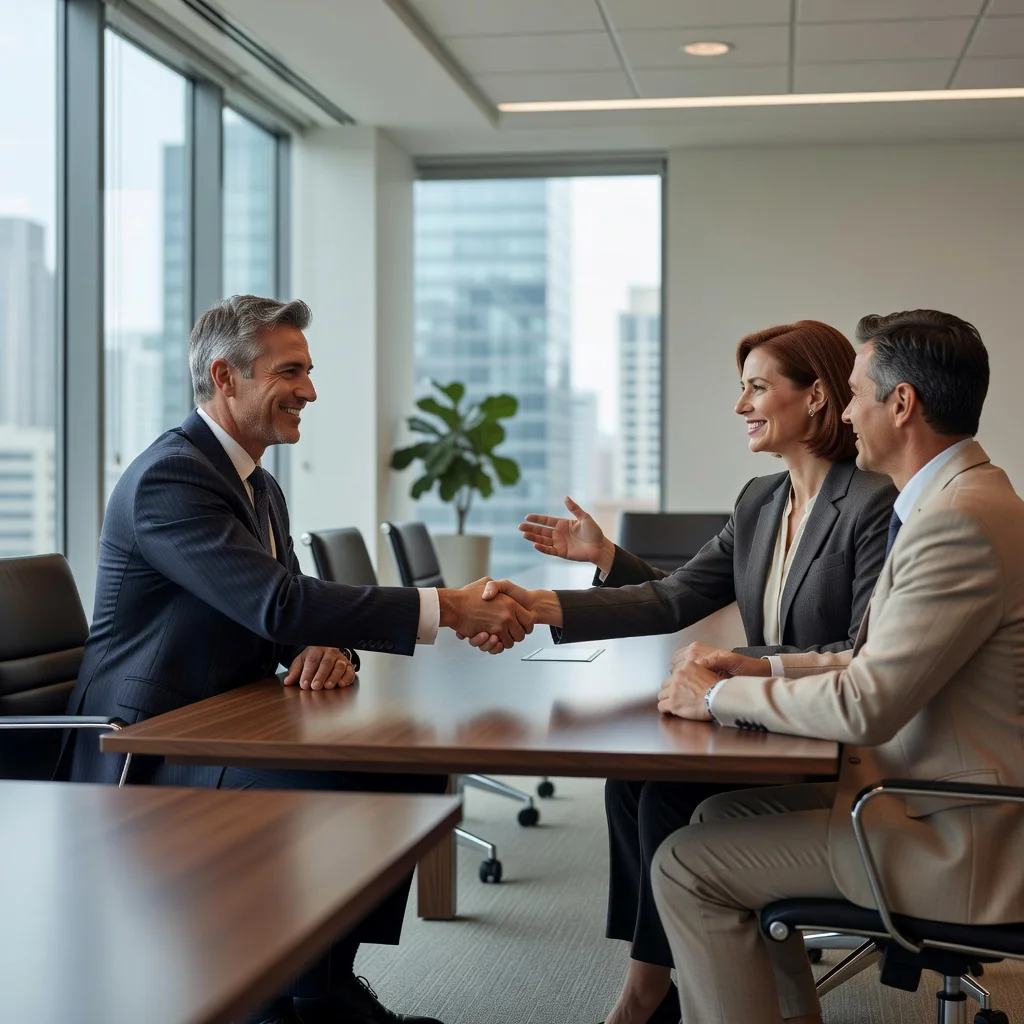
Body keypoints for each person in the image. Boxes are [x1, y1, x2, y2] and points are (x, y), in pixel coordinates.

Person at [60, 295, 533, 1024]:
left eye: (308, 371)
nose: (310, 391)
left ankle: (319, 987)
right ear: (225, 376)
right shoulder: (171, 479)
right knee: (324, 777)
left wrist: (328, 643)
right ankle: (279, 998)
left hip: (224, 716)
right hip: (146, 740)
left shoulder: (257, 483)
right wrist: (448, 609)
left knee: (402, 767)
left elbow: (283, 610)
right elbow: (278, 603)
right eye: (291, 372)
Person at [512, 321, 896, 1024]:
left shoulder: (872, 503)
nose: (741, 404)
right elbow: (676, 593)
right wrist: (555, 595)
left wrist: (734, 666)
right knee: (628, 775)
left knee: (666, 793)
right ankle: (657, 978)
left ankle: (645, 995)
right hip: (761, 715)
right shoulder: (760, 500)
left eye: (757, 386)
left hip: (827, 731)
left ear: (816, 396)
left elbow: (857, 647)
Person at [648, 309, 1024, 1024]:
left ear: (902, 404)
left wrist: (720, 695)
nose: (844, 412)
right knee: (712, 813)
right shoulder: (958, 501)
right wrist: (756, 670)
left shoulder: (956, 522)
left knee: (685, 866)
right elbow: (870, 656)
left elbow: (867, 703)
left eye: (854, 393)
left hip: (957, 835)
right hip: (933, 795)